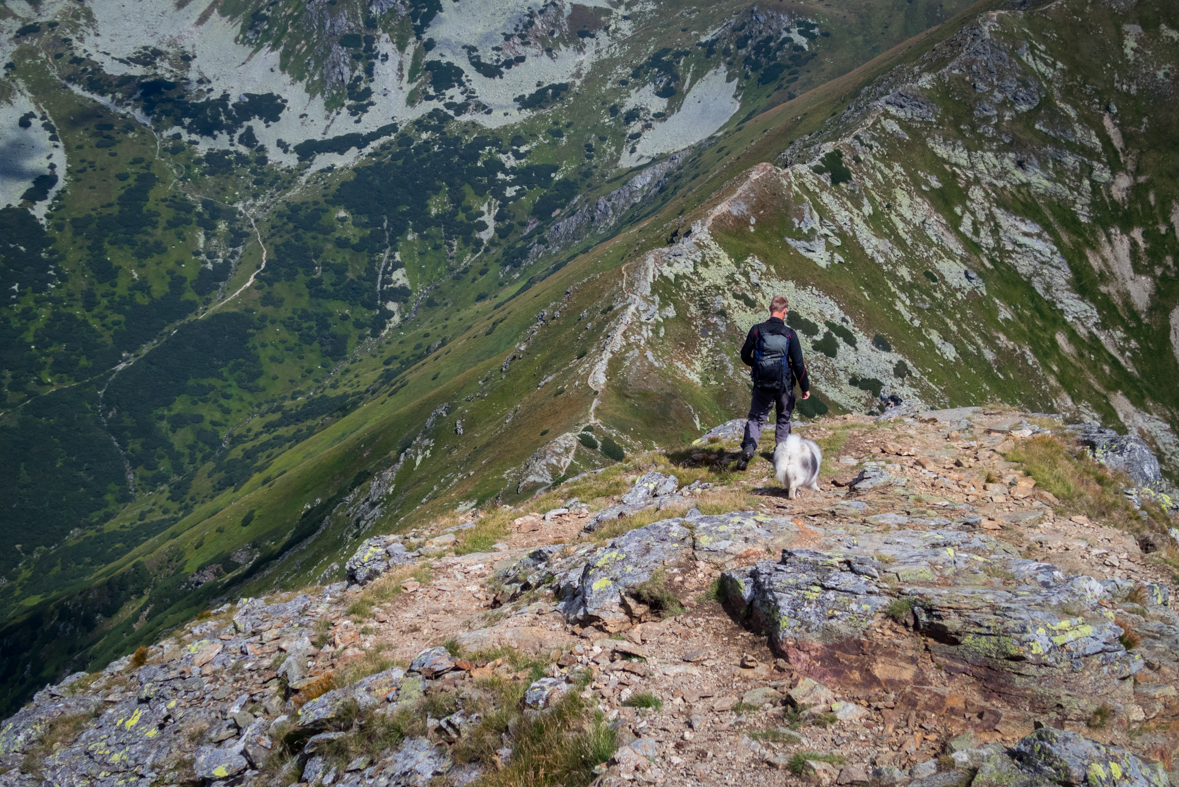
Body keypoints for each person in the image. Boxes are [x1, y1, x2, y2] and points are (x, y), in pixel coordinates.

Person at [736, 295, 810, 470]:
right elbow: (798, 364)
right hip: (784, 385)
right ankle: (781, 455)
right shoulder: (790, 334)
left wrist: (756, 365)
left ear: (770, 309)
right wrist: (805, 388)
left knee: (756, 418)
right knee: (783, 419)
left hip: (762, 383)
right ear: (785, 311)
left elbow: (744, 354)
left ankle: (749, 446)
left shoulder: (757, 330)